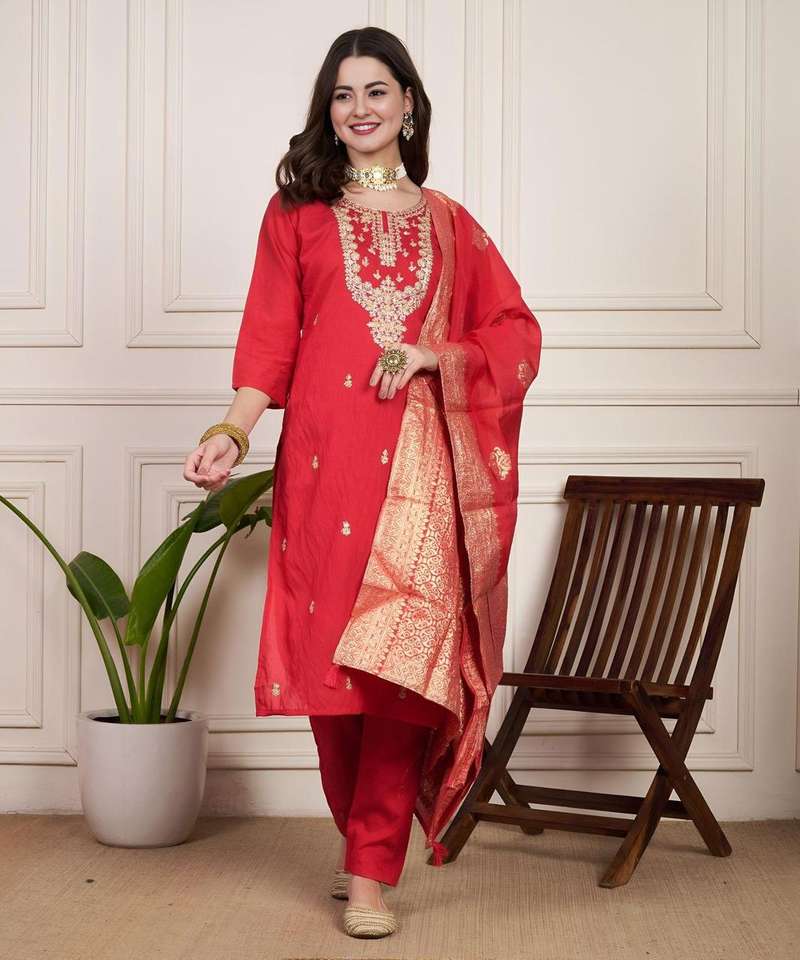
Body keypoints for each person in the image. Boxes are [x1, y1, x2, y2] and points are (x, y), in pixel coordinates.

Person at [184, 26, 542, 940]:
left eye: (377, 91)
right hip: (324, 465)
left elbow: (515, 332)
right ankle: (361, 842)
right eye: (343, 95)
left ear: (408, 104)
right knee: (334, 673)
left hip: (420, 472)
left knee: (399, 672)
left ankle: (373, 871)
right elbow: (270, 342)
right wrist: (231, 430)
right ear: (328, 110)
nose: (360, 109)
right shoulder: (296, 215)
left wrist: (435, 355)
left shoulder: (450, 224)